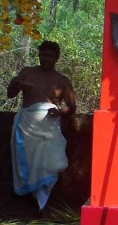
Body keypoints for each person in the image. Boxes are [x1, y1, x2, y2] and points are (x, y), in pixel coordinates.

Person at [6, 40, 76, 213]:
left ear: (57, 58)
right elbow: (10, 94)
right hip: (26, 127)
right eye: (43, 55)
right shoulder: (27, 73)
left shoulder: (62, 81)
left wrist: (59, 112)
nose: (46, 59)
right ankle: (36, 205)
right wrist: (14, 85)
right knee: (29, 165)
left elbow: (72, 107)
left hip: (49, 128)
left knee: (52, 163)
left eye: (50, 56)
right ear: (38, 55)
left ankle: (42, 204)